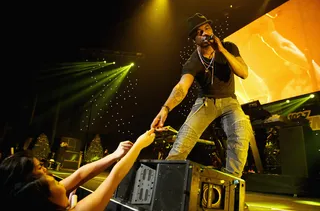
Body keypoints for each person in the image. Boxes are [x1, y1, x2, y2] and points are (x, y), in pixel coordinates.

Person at [151, 13, 254, 178]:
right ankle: (166, 181)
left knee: (241, 131)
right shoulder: (193, 62)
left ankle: (231, 182)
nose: (205, 33)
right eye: (199, 32)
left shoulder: (229, 47)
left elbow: (243, 73)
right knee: (184, 140)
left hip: (230, 102)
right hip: (206, 102)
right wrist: (165, 108)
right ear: (194, 39)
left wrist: (222, 50)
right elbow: (181, 88)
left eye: (207, 28)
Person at [0, 129, 155, 210]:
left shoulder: (37, 196)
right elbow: (115, 176)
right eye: (40, 167)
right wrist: (139, 145)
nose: (62, 184)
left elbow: (80, 174)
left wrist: (115, 155)